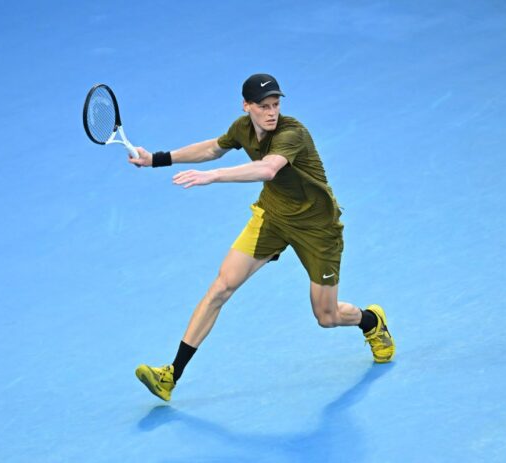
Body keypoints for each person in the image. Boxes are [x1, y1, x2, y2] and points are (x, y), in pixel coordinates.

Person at [129, 73, 395, 401]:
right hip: (272, 218)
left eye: (275, 105)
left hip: (317, 228)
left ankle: (371, 321)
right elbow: (213, 148)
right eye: (263, 106)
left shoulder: (292, 133)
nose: (271, 112)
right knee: (220, 288)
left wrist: (213, 177)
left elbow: (268, 169)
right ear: (247, 106)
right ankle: (171, 375)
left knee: (326, 317)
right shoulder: (242, 128)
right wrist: (155, 159)